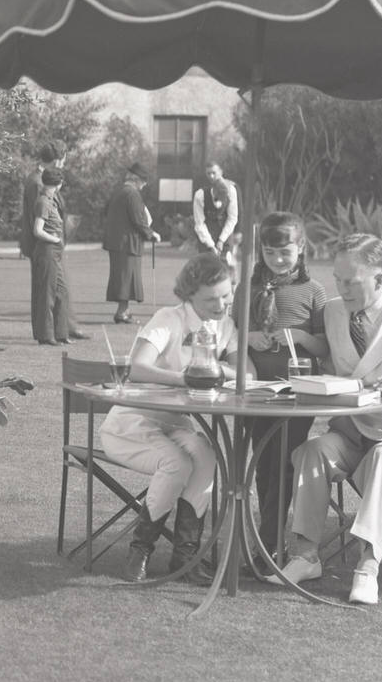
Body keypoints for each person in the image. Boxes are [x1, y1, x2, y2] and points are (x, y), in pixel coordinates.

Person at [275, 233, 382, 606]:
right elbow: (333, 367)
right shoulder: (334, 312)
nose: (341, 288)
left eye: (350, 281)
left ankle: (367, 568)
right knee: (312, 451)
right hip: (353, 432)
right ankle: (304, 556)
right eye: (337, 279)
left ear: (380, 279)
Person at [98, 252, 238, 582]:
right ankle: (140, 550)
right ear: (189, 296)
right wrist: (186, 376)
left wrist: (214, 368)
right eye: (211, 299)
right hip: (131, 424)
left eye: (226, 296)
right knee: (177, 462)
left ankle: (185, 556)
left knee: (206, 454)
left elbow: (247, 371)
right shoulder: (169, 318)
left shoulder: (226, 324)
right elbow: (137, 367)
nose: (220, 306)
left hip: (178, 422)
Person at [243, 212, 330, 557]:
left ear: (301, 249)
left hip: (298, 394)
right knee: (262, 465)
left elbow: (325, 347)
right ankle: (268, 540)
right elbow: (228, 340)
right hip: (254, 393)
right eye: (269, 253)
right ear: (260, 252)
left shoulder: (313, 291)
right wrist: (249, 336)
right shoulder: (246, 290)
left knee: (285, 462)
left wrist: (300, 336)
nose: (277, 260)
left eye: (285, 253)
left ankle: (268, 543)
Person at [102, 164, 158, 323]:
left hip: (118, 242)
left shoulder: (118, 191)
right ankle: (121, 313)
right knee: (126, 278)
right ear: (135, 179)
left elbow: (106, 212)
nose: (144, 184)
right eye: (143, 181)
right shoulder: (132, 194)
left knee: (123, 277)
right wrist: (151, 234)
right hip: (127, 243)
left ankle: (124, 311)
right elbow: (138, 220)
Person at [30, 167, 72, 346]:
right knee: (47, 294)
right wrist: (55, 239)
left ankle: (61, 333)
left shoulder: (51, 200)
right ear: (58, 184)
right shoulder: (44, 202)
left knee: (62, 292)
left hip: (55, 252)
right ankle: (45, 335)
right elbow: (37, 230)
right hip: (47, 251)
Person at [192, 162, 240, 269]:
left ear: (221, 172)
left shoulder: (231, 190)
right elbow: (199, 223)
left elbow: (232, 217)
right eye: (208, 173)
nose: (211, 176)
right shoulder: (200, 195)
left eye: (214, 173)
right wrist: (211, 245)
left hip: (225, 236)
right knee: (206, 271)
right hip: (206, 237)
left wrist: (221, 240)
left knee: (226, 271)